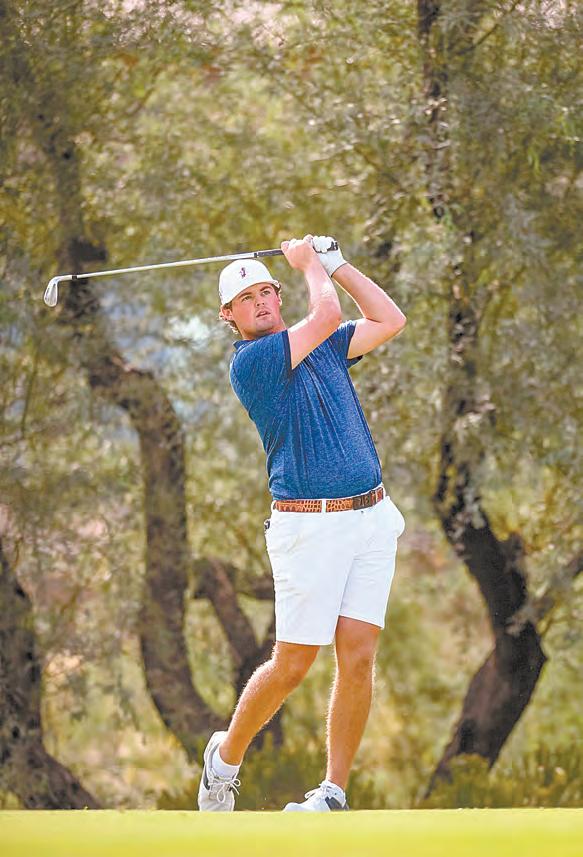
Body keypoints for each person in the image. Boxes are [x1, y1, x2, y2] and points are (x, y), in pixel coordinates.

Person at [198, 235, 407, 812]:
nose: (260, 302)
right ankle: (225, 759)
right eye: (246, 299)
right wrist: (311, 264)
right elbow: (329, 314)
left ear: (279, 298)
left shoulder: (325, 346)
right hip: (308, 528)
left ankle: (333, 792)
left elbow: (389, 319)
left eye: (266, 291)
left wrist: (338, 264)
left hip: (371, 518)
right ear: (229, 316)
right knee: (293, 663)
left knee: (358, 656)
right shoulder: (253, 363)